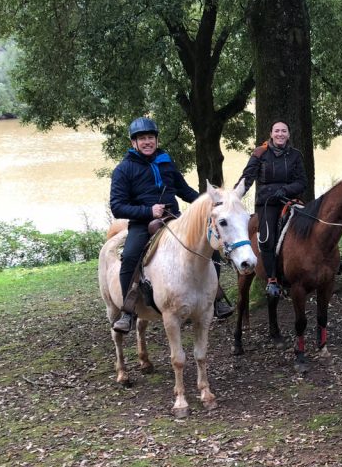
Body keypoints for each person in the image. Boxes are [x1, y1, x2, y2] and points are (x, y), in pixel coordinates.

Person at [109, 116, 233, 333]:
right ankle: (128, 311)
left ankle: (215, 298)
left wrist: (211, 202)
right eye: (142, 139)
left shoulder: (166, 161)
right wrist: (148, 211)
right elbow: (118, 206)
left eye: (150, 137)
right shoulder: (123, 169)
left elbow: (184, 190)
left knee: (209, 248)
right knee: (130, 256)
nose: (147, 142)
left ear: (156, 140)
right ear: (133, 143)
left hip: (174, 219)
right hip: (142, 223)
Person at [236, 120, 308, 299]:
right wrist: (234, 195)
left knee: (312, 224)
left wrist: (285, 190)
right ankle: (272, 279)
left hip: (289, 199)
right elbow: (247, 177)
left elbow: (302, 182)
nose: (280, 134)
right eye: (277, 131)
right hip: (267, 203)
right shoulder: (260, 153)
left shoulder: (295, 155)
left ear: (289, 135)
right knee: (267, 237)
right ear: (271, 133)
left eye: (284, 131)